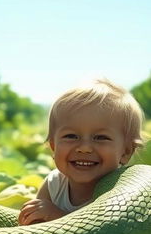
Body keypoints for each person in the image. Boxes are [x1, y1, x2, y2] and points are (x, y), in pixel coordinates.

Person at [18, 78, 144, 225]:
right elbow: (33, 231)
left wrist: (56, 216)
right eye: (71, 136)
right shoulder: (54, 184)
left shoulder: (121, 190)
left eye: (100, 137)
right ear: (53, 146)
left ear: (126, 152)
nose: (84, 148)